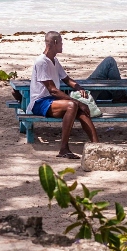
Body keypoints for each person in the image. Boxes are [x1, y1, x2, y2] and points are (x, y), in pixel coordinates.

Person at [30, 31, 98, 159]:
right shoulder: (41, 62)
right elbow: (52, 90)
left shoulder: (54, 60)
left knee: (82, 111)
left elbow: (66, 79)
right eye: (61, 42)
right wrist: (78, 102)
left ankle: (97, 146)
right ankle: (64, 149)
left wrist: (79, 88)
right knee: (73, 105)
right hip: (40, 102)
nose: (62, 45)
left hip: (54, 101)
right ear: (55, 43)